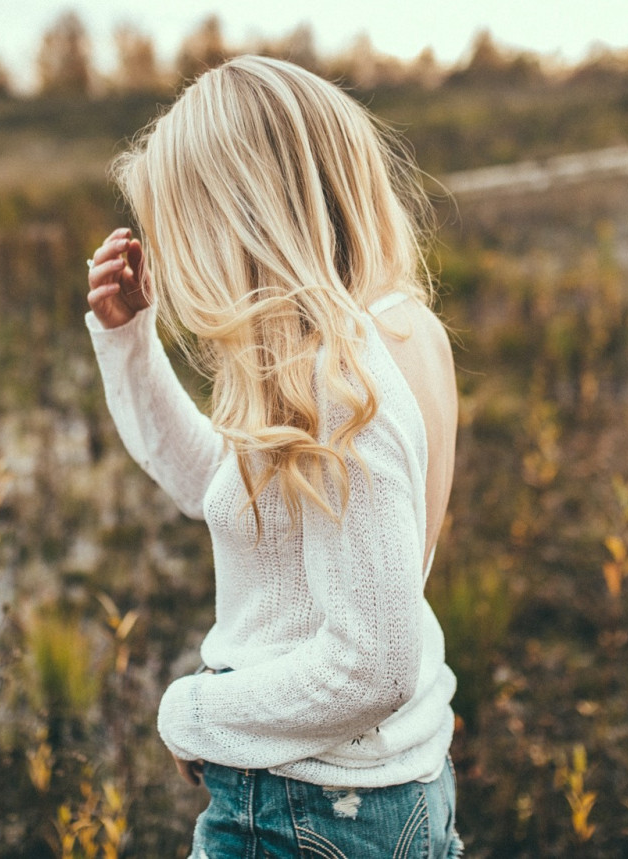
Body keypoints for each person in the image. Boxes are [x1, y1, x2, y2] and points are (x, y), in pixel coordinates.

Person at [83, 54, 463, 858]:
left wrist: (192, 714)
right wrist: (129, 342)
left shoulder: (339, 378)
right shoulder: (400, 328)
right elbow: (218, 487)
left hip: (304, 807)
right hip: (388, 793)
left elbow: (373, 665)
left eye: (183, 231)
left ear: (241, 221)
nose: (176, 264)